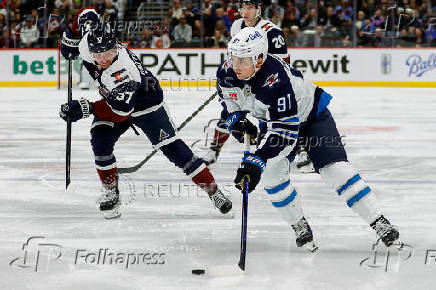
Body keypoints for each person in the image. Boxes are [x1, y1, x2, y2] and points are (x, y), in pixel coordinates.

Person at [216, 27, 401, 251]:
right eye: (233, 57)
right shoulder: (227, 71)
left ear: (260, 58)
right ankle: (299, 225)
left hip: (312, 117)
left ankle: (379, 221)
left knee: (336, 170)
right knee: (272, 178)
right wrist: (236, 120)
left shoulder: (276, 81)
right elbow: (229, 101)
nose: (236, 65)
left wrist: (257, 159)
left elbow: (284, 133)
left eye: (243, 60)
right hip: (275, 122)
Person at [59, 14, 232, 219]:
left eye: (109, 53)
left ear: (116, 48)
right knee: (100, 139)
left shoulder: (124, 71)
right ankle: (111, 191)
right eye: (99, 55)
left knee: (174, 150)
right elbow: (85, 20)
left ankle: (214, 191)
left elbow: (121, 112)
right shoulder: (88, 43)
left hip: (146, 105)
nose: (104, 59)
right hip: (116, 100)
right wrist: (71, 37)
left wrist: (85, 107)